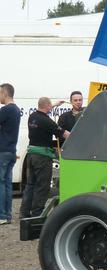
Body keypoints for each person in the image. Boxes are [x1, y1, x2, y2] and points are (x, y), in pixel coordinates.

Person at [20, 97, 69, 218]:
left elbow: (44, 108)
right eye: (50, 106)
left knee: (31, 184)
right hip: (42, 157)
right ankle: (38, 214)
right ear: (47, 106)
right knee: (42, 186)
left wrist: (55, 104)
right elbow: (64, 134)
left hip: (31, 155)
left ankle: (24, 212)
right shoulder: (47, 121)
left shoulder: (33, 116)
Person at [0, 84, 21, 225]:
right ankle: (6, 215)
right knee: (6, 183)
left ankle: (2, 215)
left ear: (4, 93)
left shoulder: (5, 110)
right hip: (11, 151)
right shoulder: (16, 109)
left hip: (2, 151)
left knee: (1, 184)